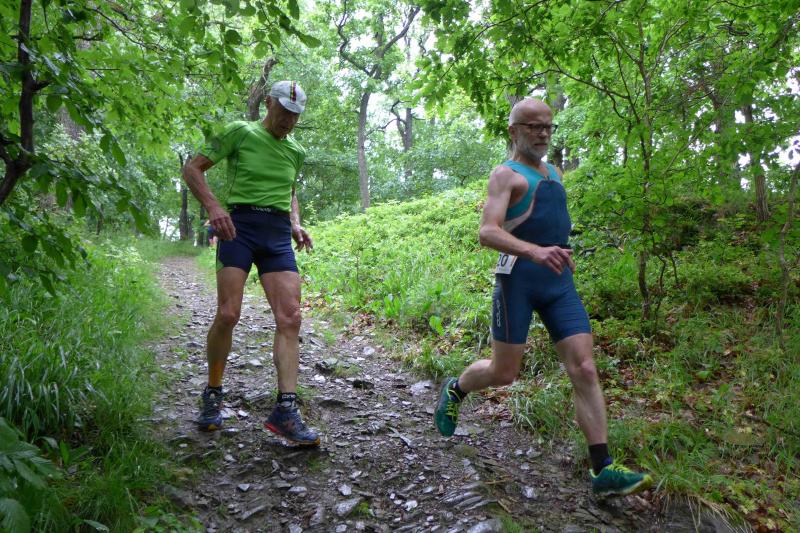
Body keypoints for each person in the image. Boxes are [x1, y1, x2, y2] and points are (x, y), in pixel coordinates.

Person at [434, 98, 652, 496]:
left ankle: (602, 469)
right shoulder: (505, 174)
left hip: (558, 282)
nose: (543, 133)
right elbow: (487, 231)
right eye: (533, 126)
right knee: (504, 373)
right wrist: (535, 252)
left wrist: (558, 252)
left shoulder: (555, 172)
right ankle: (457, 388)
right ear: (513, 131)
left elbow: (551, 224)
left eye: (548, 126)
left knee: (585, 368)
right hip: (517, 280)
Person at [182, 80, 319, 446]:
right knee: (228, 314)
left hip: (276, 234)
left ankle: (285, 411)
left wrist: (295, 223)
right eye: (284, 112)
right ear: (269, 103)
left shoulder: (296, 151)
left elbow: (290, 191)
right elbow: (193, 168)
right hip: (238, 227)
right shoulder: (240, 132)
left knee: (291, 317)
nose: (289, 120)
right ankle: (213, 392)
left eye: (295, 115)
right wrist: (214, 208)